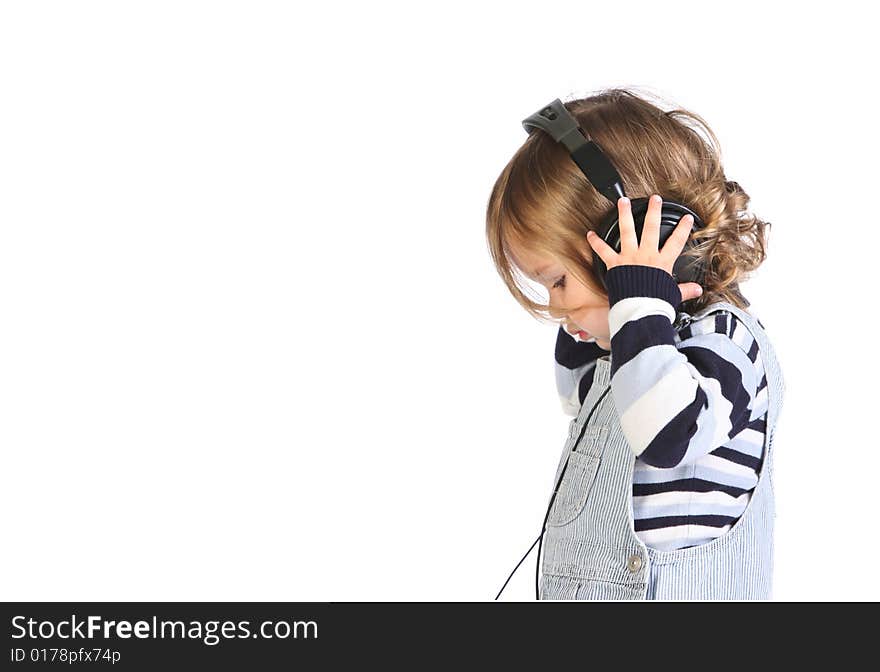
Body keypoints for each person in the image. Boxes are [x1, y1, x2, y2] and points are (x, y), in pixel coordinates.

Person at [485, 88, 786, 599]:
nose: (556, 307)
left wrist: (637, 300)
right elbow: (579, 398)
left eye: (557, 282)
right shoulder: (627, 350)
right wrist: (609, 316)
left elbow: (669, 435)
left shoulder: (727, 344)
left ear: (624, 250)